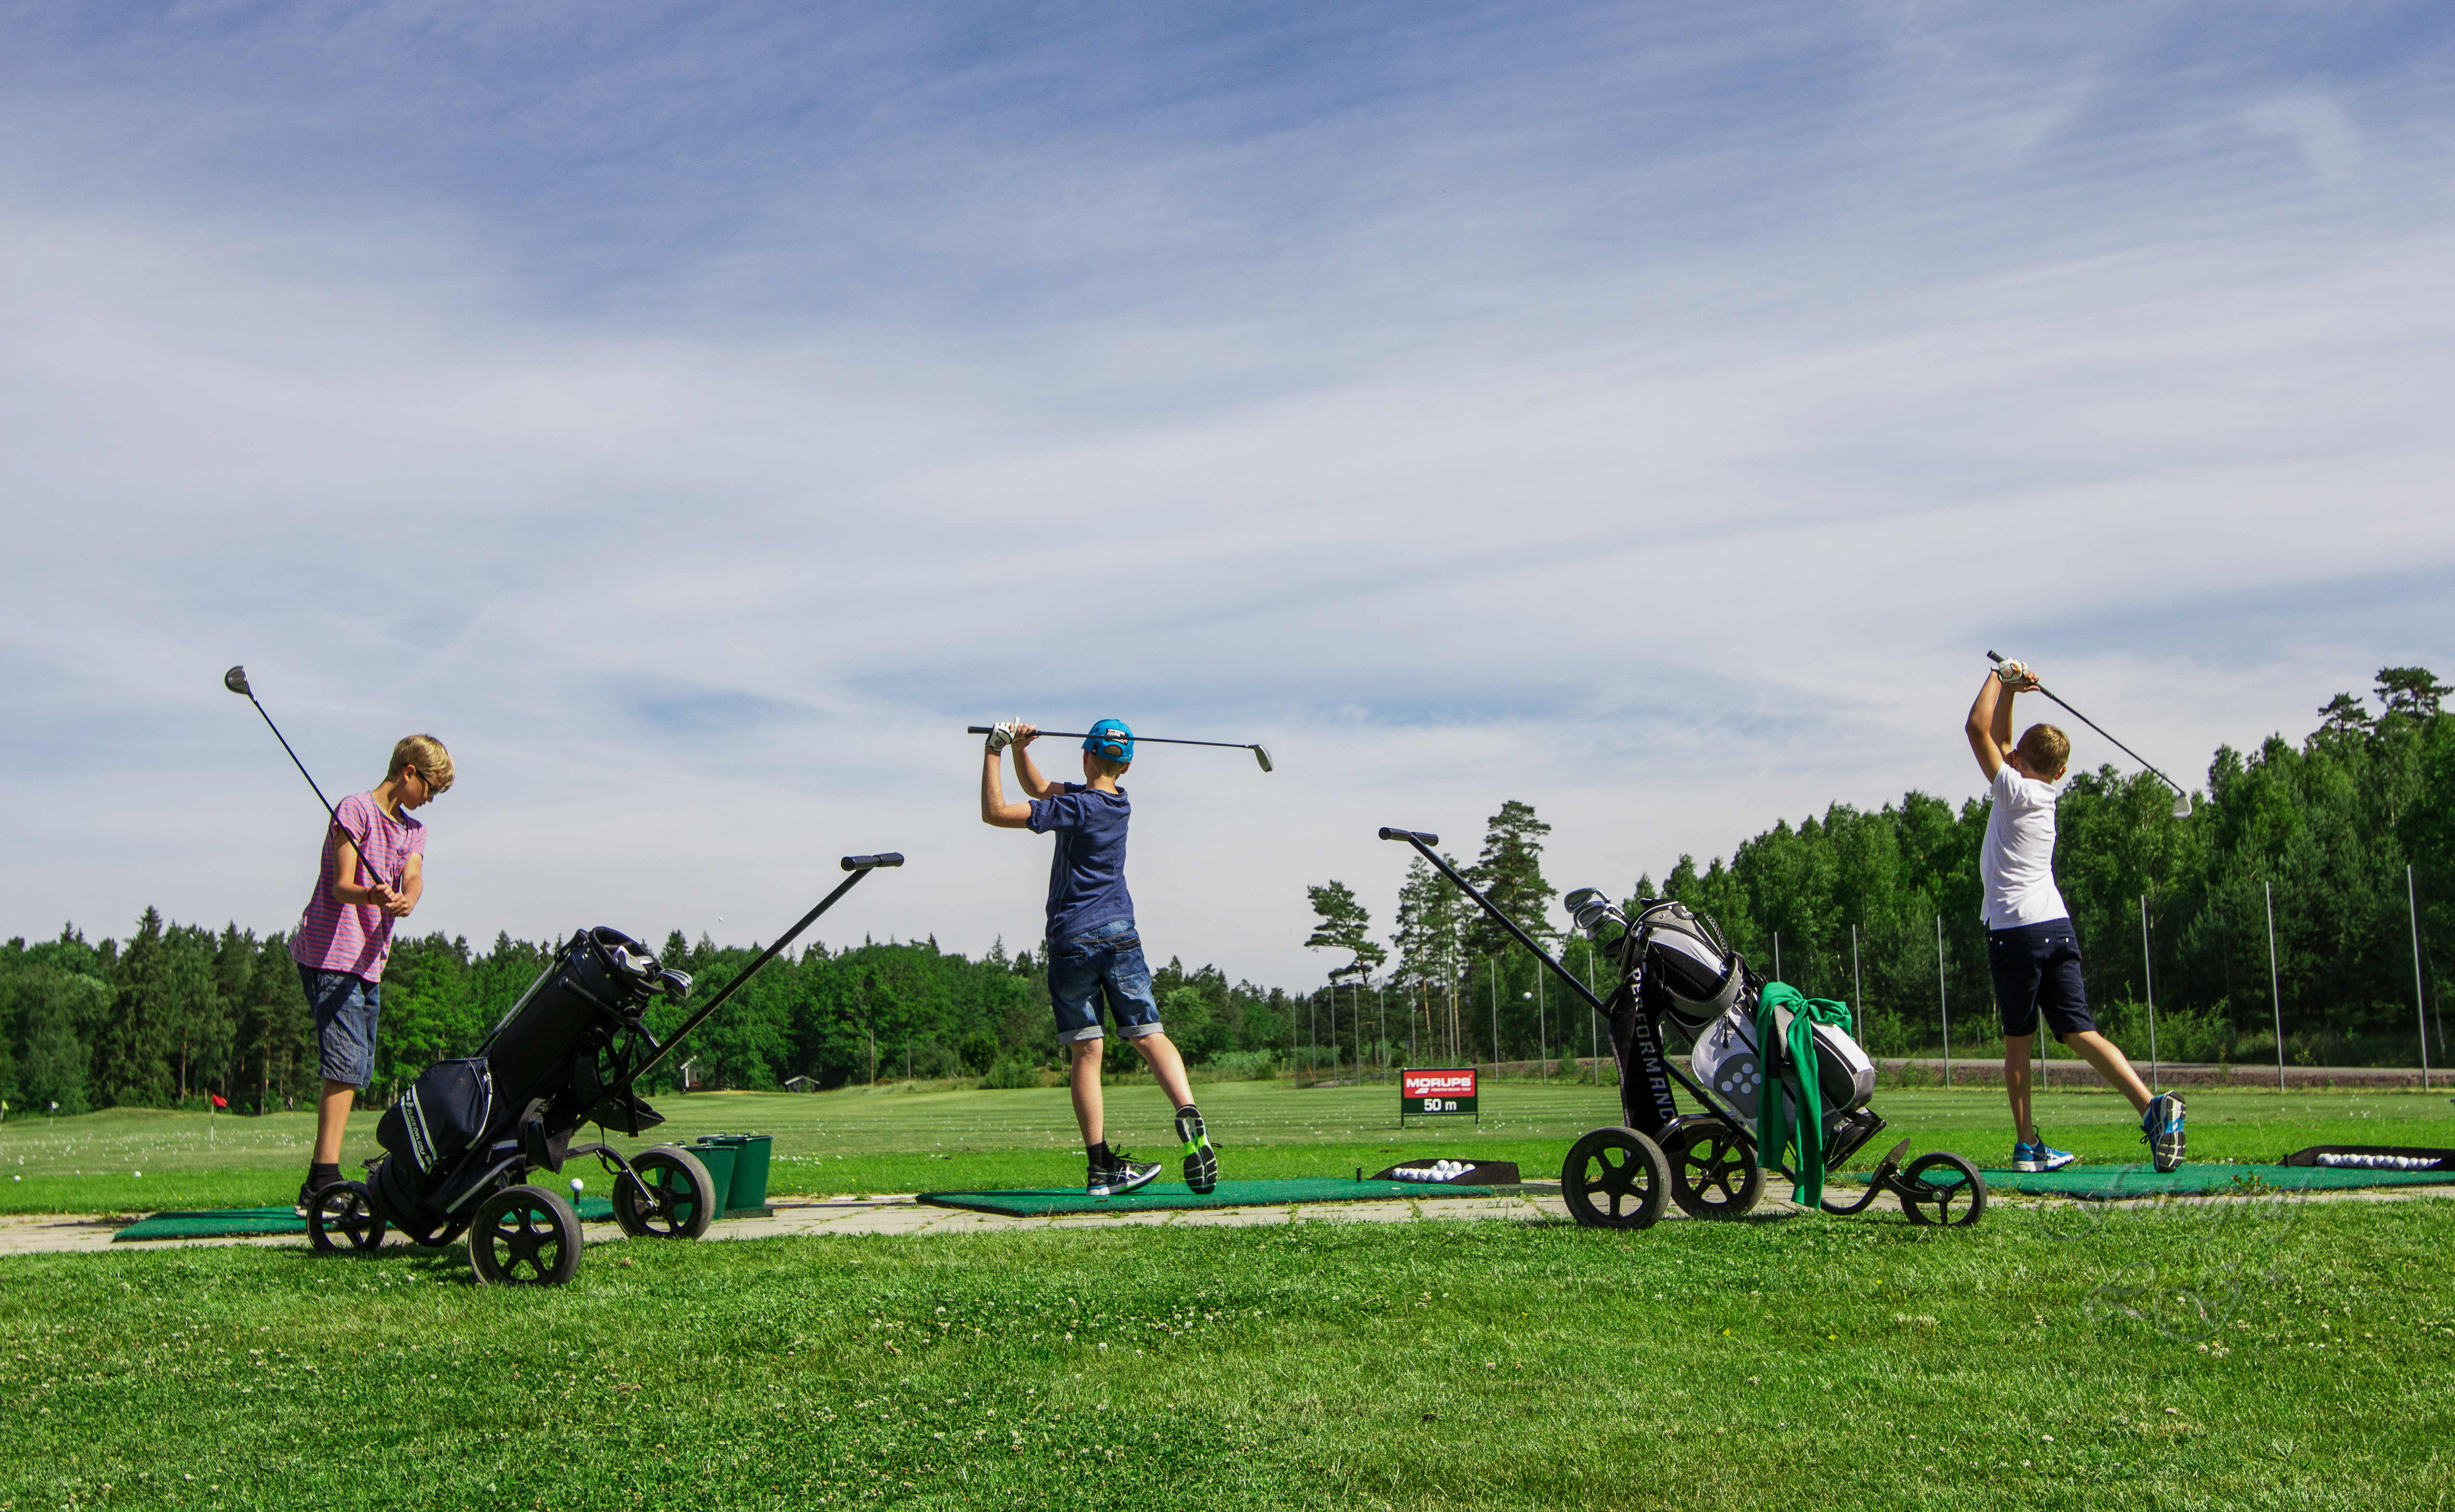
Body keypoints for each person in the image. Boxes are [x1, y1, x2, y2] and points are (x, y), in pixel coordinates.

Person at [979, 718, 1218, 1197]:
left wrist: (993, 751)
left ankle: (1099, 1169)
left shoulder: (1076, 807)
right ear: (1125, 765)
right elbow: (1044, 789)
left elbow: (996, 811)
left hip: (1073, 940)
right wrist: (1022, 750)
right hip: (1121, 934)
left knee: (1087, 1051)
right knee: (1149, 1034)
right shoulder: (1118, 803)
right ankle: (1188, 1110)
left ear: (1085, 756)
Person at [1967, 666, 2183, 1173]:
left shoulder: (2013, 791)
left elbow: (1979, 732)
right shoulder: (2042, 794)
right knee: (2078, 1031)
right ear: (2061, 772)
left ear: (2018, 759)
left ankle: (2027, 1146)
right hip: (2057, 927)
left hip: (2015, 933)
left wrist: (1998, 678)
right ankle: (2152, 1107)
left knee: (2018, 1046)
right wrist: (2015, 695)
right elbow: (1999, 736)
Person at [288, 734, 452, 1212]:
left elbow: (414, 874)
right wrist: (373, 896)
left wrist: (408, 898)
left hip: (368, 961)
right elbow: (341, 885)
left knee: (357, 1067)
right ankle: (323, 1181)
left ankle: (318, 1180)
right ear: (408, 772)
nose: (430, 799)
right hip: (329, 954)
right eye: (430, 788)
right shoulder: (354, 810)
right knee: (343, 1064)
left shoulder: (412, 830)